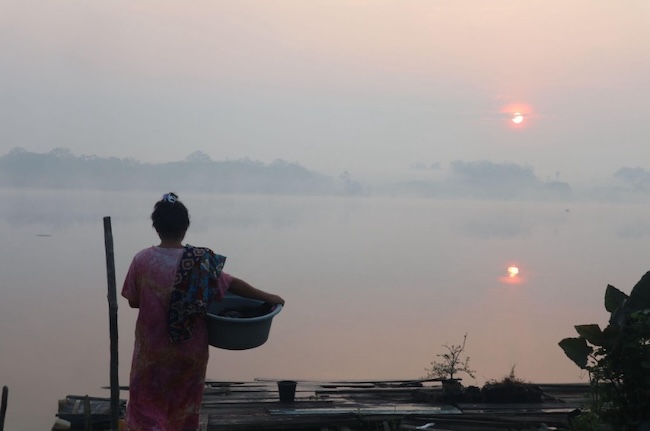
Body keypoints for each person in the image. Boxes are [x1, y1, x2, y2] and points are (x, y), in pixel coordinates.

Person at [121, 192, 285, 431]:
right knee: (183, 408)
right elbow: (231, 284)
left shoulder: (142, 260)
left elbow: (133, 301)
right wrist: (268, 297)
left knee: (147, 407)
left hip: (152, 353)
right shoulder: (200, 262)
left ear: (156, 227)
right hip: (189, 351)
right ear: (185, 227)